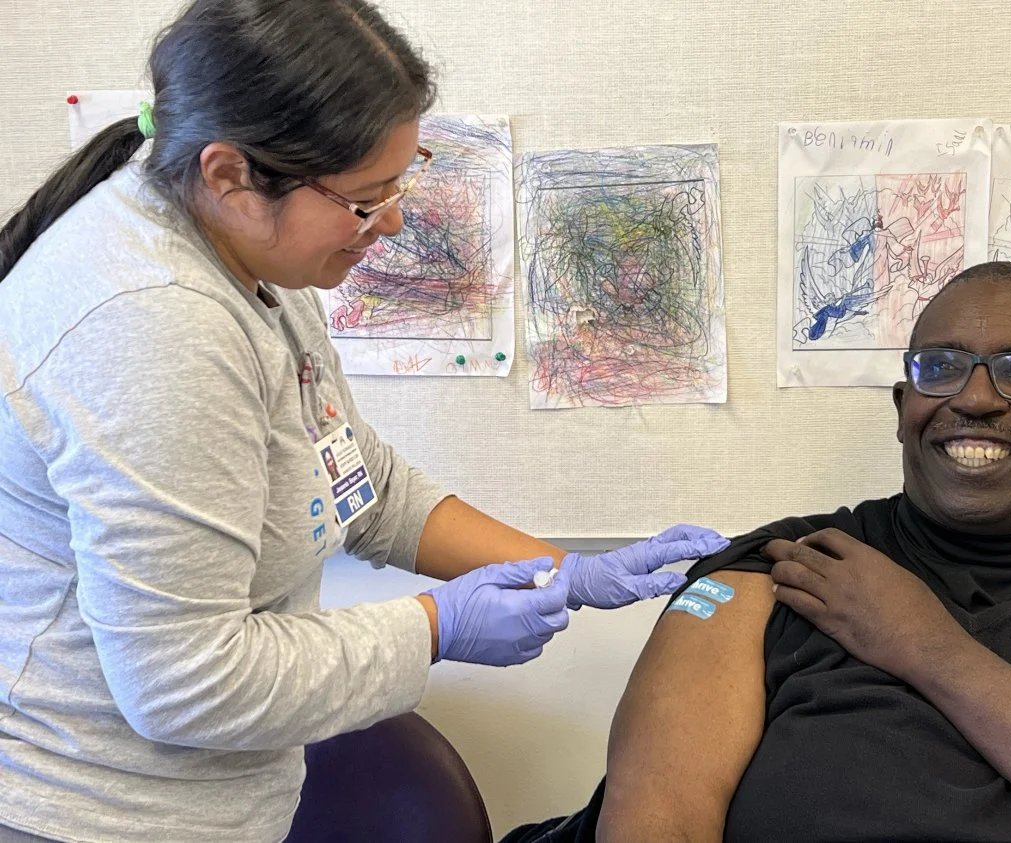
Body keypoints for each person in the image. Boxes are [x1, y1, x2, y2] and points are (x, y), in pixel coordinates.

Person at [0, 2, 729, 841]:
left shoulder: (250, 261)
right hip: (91, 814)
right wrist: (433, 629)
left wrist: (565, 570)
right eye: (363, 200)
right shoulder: (152, 329)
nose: (392, 221)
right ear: (231, 174)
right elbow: (184, 680)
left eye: (400, 182)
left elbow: (355, 481)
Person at [505, 262, 1011, 842]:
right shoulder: (777, 569)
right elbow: (659, 820)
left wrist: (930, 647)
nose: (974, 398)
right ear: (904, 407)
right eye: (940, 368)